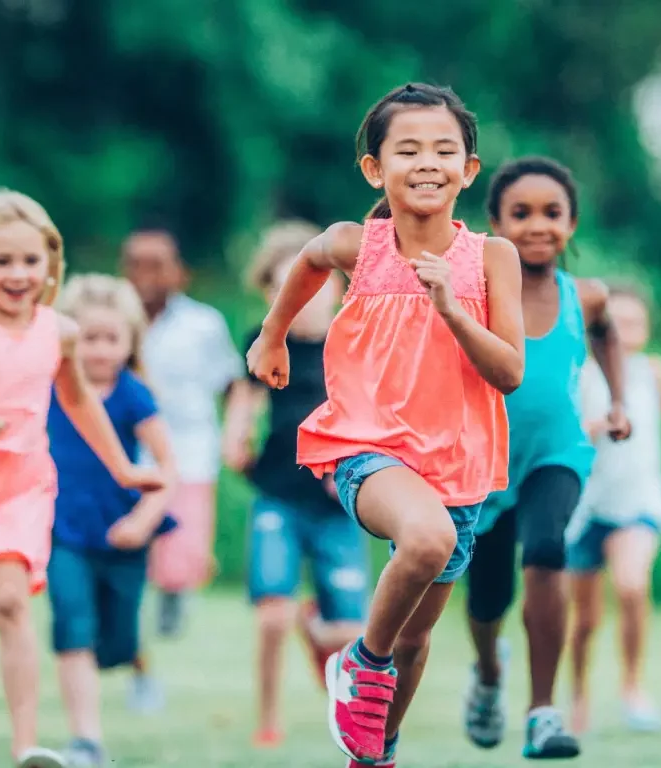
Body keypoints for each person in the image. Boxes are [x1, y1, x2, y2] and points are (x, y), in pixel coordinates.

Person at [247, 82, 524, 768]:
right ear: (376, 169)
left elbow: (510, 371)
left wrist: (455, 310)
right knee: (424, 542)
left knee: (415, 638)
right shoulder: (356, 245)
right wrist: (273, 335)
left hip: (457, 463)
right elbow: (309, 260)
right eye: (407, 149)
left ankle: (374, 752)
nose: (427, 162)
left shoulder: (492, 259)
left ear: (468, 169)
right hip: (365, 442)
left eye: (443, 149)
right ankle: (358, 665)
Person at [0, 189, 163, 768]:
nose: (19, 273)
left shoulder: (59, 331)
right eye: (2, 261)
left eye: (31, 260)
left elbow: (78, 401)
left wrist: (124, 466)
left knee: (10, 602)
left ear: (50, 264)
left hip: (22, 485)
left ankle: (27, 746)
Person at [463, 157, 631, 760]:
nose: (538, 226)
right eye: (521, 214)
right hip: (483, 461)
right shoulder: (474, 290)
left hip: (556, 453)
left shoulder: (584, 296)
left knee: (546, 550)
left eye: (552, 213)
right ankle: (486, 673)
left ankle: (542, 712)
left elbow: (608, 332)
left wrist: (617, 400)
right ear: (493, 224)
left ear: (573, 223)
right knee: (487, 599)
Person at [222, 220, 369, 748]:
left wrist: (358, 468)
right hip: (279, 497)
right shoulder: (264, 343)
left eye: (315, 284)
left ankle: (323, 638)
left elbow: (371, 415)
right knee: (271, 617)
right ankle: (269, 715)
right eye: (288, 286)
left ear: (335, 287)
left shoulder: (353, 344)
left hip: (339, 505)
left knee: (351, 631)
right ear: (271, 294)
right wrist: (235, 437)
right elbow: (246, 401)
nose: (304, 297)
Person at [47, 274, 178, 767]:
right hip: (64, 529)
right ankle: (86, 740)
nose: (99, 351)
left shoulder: (132, 394)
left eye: (111, 339)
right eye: (88, 338)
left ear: (130, 342)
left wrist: (145, 520)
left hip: (123, 533)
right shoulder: (53, 386)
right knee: (71, 623)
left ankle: (138, 665)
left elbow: (168, 467)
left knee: (116, 641)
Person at [567, 284, 661, 734]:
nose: (627, 332)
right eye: (618, 323)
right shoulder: (582, 374)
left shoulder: (650, 372)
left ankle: (632, 687)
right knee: (585, 619)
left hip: (638, 502)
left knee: (631, 586)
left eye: (636, 324)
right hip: (586, 508)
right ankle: (578, 696)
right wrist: (592, 428)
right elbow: (568, 431)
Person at [122, 223, 243, 637]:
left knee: (182, 547)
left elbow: (231, 384)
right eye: (135, 266)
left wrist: (235, 434)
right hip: (126, 453)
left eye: (156, 266)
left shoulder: (203, 325)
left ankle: (172, 606)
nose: (145, 277)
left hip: (190, 451)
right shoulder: (113, 321)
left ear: (179, 272)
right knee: (129, 543)